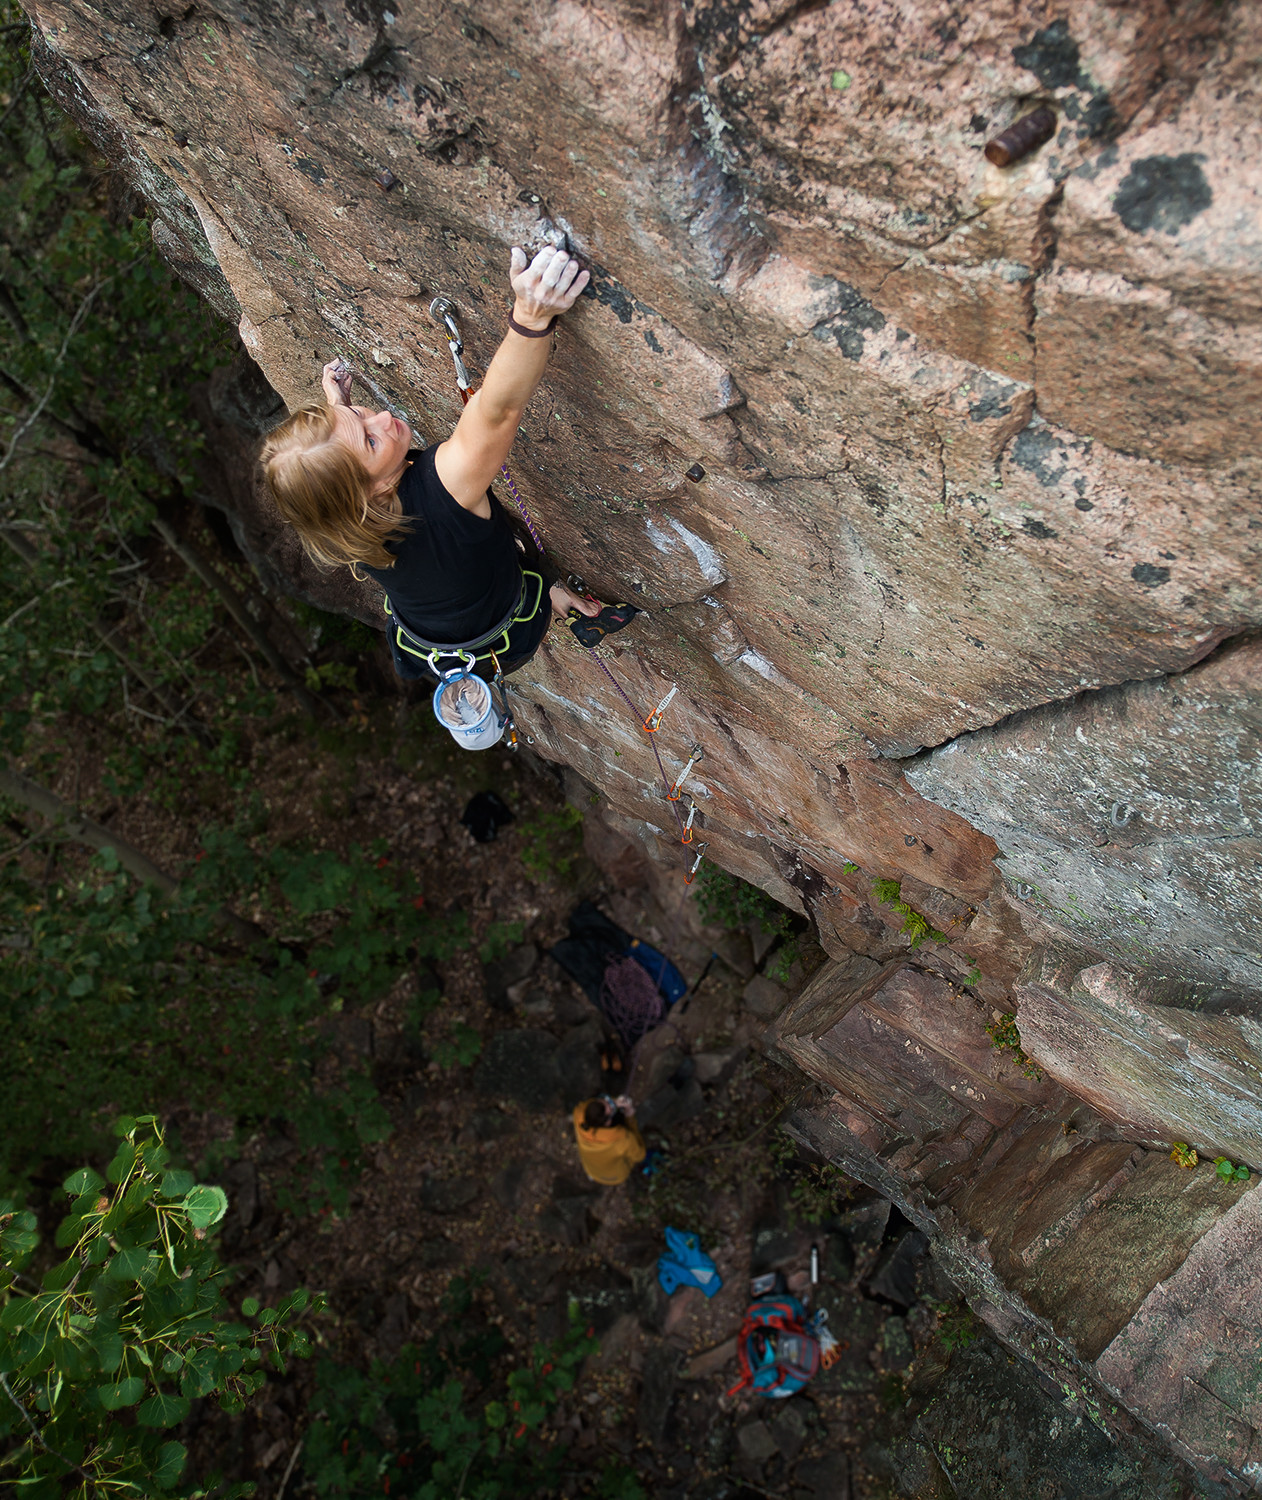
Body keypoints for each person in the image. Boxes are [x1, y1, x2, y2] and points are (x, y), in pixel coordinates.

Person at [260, 244, 601, 681]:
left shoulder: (340, 524)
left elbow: (335, 476)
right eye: (370, 440)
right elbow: (497, 411)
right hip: (508, 634)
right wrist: (532, 317)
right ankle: (549, 596)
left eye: (361, 414)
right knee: (504, 573)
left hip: (436, 641)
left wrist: (339, 413)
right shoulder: (445, 490)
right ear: (369, 490)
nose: (383, 418)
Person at [572, 1093, 646, 1187]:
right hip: (615, 1176)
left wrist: (615, 1102)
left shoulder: (578, 1113)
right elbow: (640, 1155)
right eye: (611, 1108)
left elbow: (592, 1105)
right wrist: (630, 1117)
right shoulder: (622, 1141)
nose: (611, 1102)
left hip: (591, 1168)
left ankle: (592, 1176)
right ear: (607, 1122)